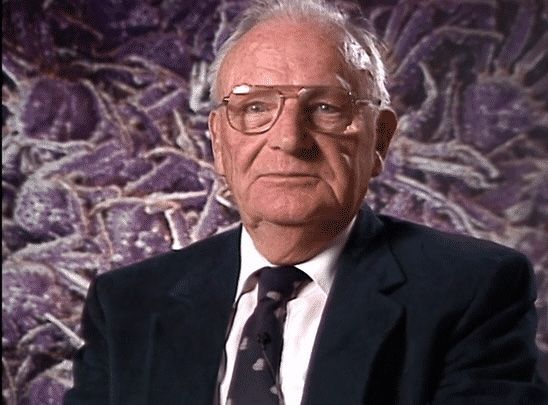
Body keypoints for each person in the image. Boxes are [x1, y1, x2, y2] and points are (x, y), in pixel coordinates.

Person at [64, 0, 547, 404]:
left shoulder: (472, 293)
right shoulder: (127, 304)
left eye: (325, 108)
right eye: (254, 108)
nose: (290, 140)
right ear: (218, 143)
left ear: (379, 140)